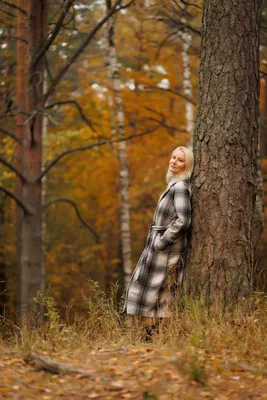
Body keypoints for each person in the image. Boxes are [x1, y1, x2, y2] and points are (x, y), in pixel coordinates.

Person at [123, 146, 194, 339]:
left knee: (158, 290)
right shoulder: (173, 184)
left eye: (180, 160)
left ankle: (151, 334)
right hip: (160, 245)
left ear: (187, 166)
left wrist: (162, 241)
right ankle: (149, 334)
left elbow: (183, 220)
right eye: (173, 157)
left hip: (168, 248)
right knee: (153, 289)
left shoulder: (180, 187)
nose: (174, 162)